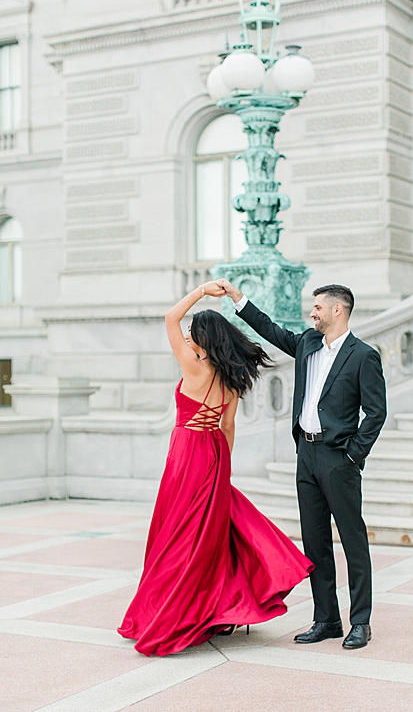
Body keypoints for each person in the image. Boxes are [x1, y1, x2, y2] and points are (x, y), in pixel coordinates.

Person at [118, 281, 313, 657]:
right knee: (208, 534)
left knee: (176, 535)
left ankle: (169, 612)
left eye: (192, 333)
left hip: (187, 453)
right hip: (214, 453)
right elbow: (227, 427)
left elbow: (168, 317)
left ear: (203, 339)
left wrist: (203, 292)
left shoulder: (193, 368)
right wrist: (225, 470)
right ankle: (215, 609)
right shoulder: (231, 379)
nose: (187, 336)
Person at [216, 279, 386, 649]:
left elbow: (375, 413)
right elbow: (271, 330)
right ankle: (326, 619)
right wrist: (236, 298)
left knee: (353, 541)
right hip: (306, 455)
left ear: (337, 310)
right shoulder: (308, 344)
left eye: (318, 308)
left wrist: (353, 455)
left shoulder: (363, 356)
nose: (312, 313)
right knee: (315, 542)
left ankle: (361, 622)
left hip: (338, 458)